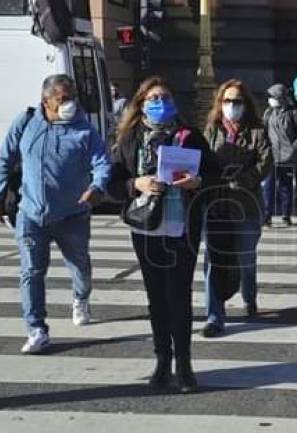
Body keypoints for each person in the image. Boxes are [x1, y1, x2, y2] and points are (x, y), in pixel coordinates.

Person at [108, 76, 209, 393]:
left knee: (180, 297)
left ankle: (185, 366)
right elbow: (113, 182)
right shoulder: (130, 138)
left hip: (182, 227)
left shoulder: (189, 136)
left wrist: (197, 182)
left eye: (164, 97)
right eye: (153, 98)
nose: (160, 103)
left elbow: (215, 172)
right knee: (156, 298)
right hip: (146, 226)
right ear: (141, 104)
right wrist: (135, 184)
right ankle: (162, 362)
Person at [0, 74, 110, 353]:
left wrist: (97, 186)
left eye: (72, 97)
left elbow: (102, 162)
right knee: (31, 272)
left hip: (72, 215)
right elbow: (4, 158)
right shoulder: (26, 123)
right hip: (31, 213)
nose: (69, 104)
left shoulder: (84, 130)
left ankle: (81, 298)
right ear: (45, 101)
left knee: (80, 265)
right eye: (62, 99)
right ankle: (36, 328)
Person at [201, 79, 272, 336]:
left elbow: (266, 163)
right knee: (212, 260)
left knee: (245, 258)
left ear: (246, 104)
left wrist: (242, 180)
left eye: (237, 101)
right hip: (216, 207)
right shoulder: (212, 130)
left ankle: (249, 296)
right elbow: (202, 160)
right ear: (220, 104)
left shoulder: (257, 131)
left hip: (246, 205)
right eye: (227, 101)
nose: (232, 106)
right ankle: (214, 316)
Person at [262, 83, 297, 227]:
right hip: (271, 155)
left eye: (273, 96)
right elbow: (263, 131)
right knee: (268, 187)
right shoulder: (268, 112)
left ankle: (286, 215)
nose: (271, 99)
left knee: (286, 186)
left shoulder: (293, 112)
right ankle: (266, 216)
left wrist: (294, 147)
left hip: (287, 156)